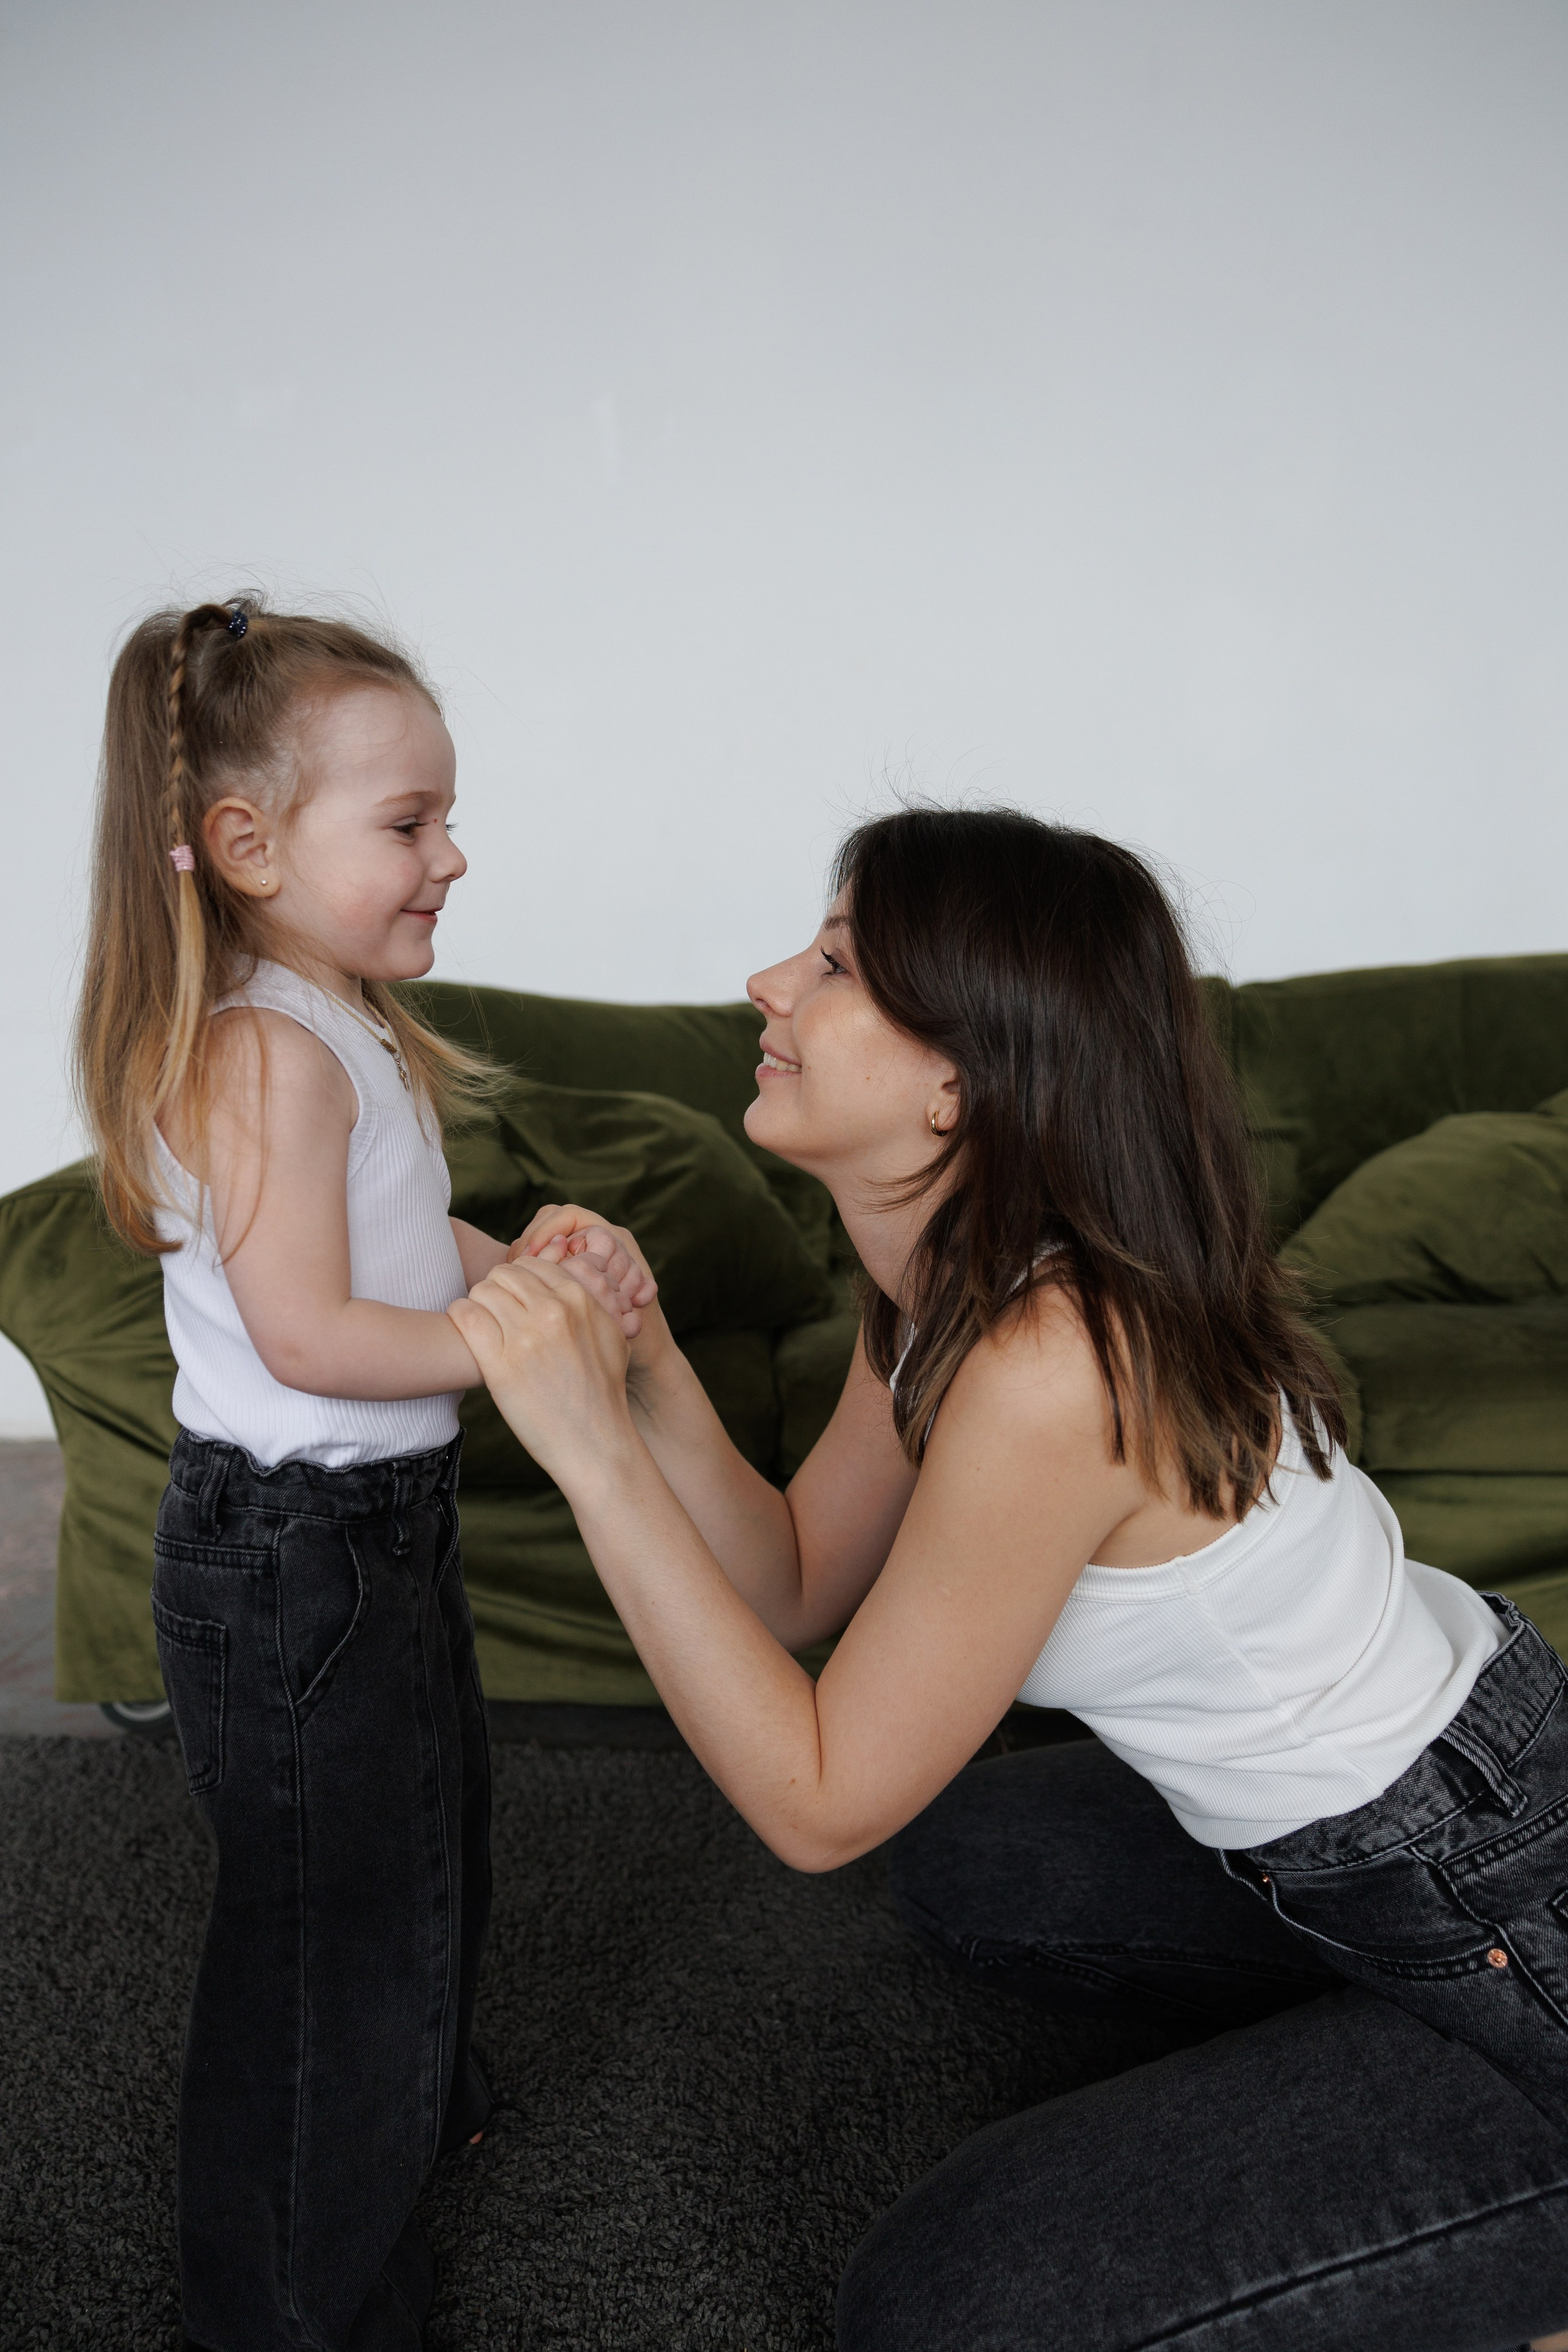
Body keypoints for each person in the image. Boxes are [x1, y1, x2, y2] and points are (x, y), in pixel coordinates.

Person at [451, 807, 1568, 2352]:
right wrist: (639, 1374)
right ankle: (1369, 2052)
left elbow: (815, 1800)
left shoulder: (1055, 1360)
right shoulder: (954, 1278)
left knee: (940, 2307)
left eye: (836, 964)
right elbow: (786, 1588)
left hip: (1488, 1888)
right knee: (974, 1857)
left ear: (955, 1082)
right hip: (1417, 1804)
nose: (768, 982)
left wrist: (590, 1458)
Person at [72, 598, 641, 2352]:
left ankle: (412, 2108)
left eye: (444, 815)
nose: (452, 855)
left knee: (427, 1834)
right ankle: (297, 2301)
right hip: (296, 1553)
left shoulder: (343, 1023)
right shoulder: (262, 1052)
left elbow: (398, 1248)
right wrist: (518, 1352)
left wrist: (517, 1270)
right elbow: (313, 1335)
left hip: (376, 1538)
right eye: (407, 823)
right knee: (328, 1933)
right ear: (245, 846)